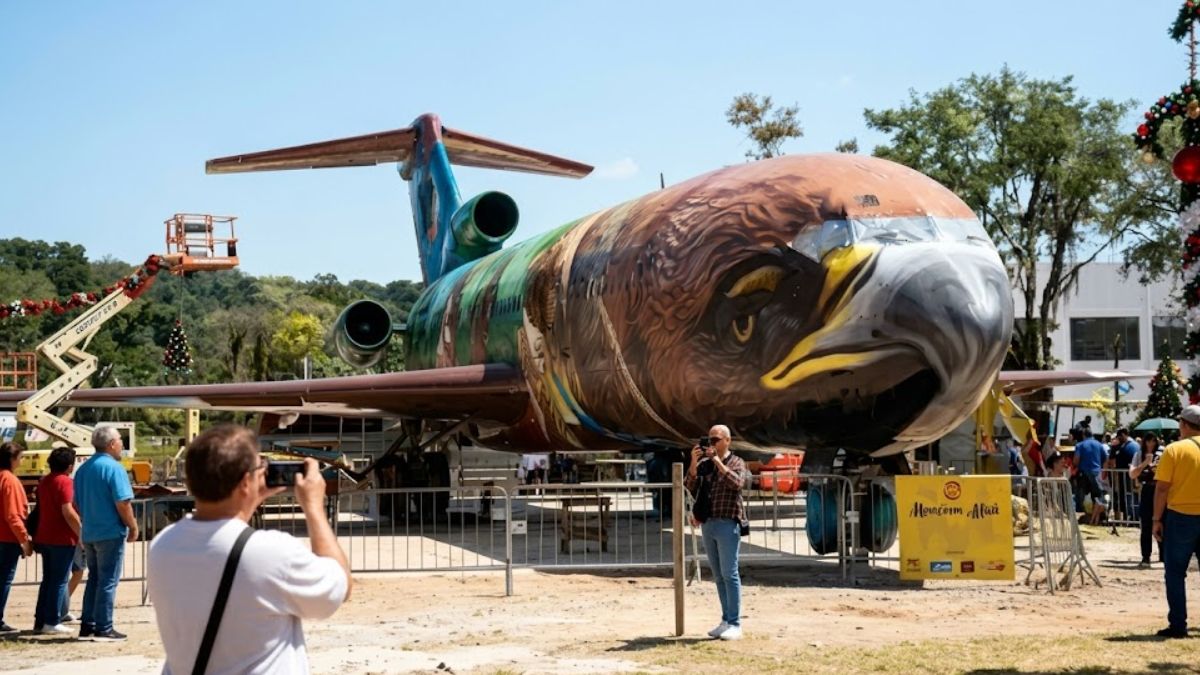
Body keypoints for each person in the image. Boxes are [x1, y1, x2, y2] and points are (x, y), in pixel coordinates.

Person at [149, 425, 350, 673]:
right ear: (246, 481)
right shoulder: (270, 552)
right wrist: (313, 506)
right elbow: (338, 587)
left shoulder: (163, 546)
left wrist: (249, 499)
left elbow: (222, 541)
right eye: (259, 468)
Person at [74, 425, 139, 641]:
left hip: (90, 531)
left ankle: (88, 623)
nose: (122, 443)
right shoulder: (114, 468)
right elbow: (123, 502)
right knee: (108, 580)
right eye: (120, 440)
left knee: (94, 579)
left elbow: (77, 503)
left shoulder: (83, 469)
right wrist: (132, 525)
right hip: (110, 531)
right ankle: (104, 626)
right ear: (112, 444)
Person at [686, 424, 747, 641]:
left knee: (730, 574)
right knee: (719, 575)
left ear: (727, 441)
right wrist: (694, 461)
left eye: (716, 439)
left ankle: (735, 623)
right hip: (709, 523)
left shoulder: (737, 462)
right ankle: (725, 620)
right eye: (709, 439)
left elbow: (737, 483)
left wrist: (718, 461)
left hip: (728, 523)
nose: (711, 444)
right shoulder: (705, 464)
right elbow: (690, 484)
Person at [1151, 405, 1200, 639]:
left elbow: (1161, 489)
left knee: (1175, 573)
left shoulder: (1174, 450)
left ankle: (1178, 625)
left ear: (1185, 425)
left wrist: (1156, 519)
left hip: (1181, 517)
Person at [33, 446, 81, 635]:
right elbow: (68, 512)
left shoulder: (45, 481)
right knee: (59, 581)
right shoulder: (65, 482)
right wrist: (81, 533)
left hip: (44, 536)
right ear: (69, 466)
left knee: (48, 580)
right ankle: (52, 621)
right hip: (61, 538)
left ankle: (40, 620)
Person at [0, 442, 33, 635]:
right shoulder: (10, 481)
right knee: (4, 579)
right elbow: (13, 515)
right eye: (20, 458)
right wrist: (24, 539)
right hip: (6, 538)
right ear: (13, 459)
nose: (21, 461)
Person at [1130, 433, 1164, 569]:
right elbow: (1132, 474)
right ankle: (1146, 556)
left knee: (1162, 521)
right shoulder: (1139, 454)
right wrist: (1145, 463)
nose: (1150, 444)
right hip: (1147, 490)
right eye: (1148, 441)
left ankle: (1163, 554)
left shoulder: (1163, 453)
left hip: (1160, 490)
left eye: (1153, 441)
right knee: (1146, 524)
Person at [1073, 429, 1108, 525]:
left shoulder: (1080, 445)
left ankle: (1088, 516)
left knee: (1083, 497)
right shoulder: (1099, 444)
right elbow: (1105, 459)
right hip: (1097, 473)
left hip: (1084, 473)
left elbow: (1076, 460)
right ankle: (1096, 518)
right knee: (1097, 497)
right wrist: (1104, 473)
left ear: (1083, 435)